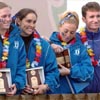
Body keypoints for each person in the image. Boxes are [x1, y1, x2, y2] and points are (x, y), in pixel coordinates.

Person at [13, 8, 59, 94]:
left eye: (34, 22)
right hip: (13, 95)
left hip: (38, 96)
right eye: (29, 21)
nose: (32, 25)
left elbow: (53, 71)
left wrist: (45, 86)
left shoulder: (44, 45)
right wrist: (18, 85)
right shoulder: (10, 44)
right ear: (19, 21)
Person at [49, 11, 94, 94]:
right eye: (65, 31)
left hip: (75, 95)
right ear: (60, 26)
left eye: (72, 32)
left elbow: (89, 72)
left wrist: (70, 71)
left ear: (76, 30)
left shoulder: (81, 47)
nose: (68, 35)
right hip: (53, 94)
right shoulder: (48, 45)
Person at [0, 2, 26, 96]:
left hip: (11, 93)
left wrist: (17, 84)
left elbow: (21, 66)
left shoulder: (18, 39)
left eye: (9, 16)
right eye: (4, 16)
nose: (8, 19)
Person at [77, 1, 100, 93]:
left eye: (98, 16)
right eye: (91, 16)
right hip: (82, 94)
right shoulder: (76, 39)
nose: (96, 20)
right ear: (84, 19)